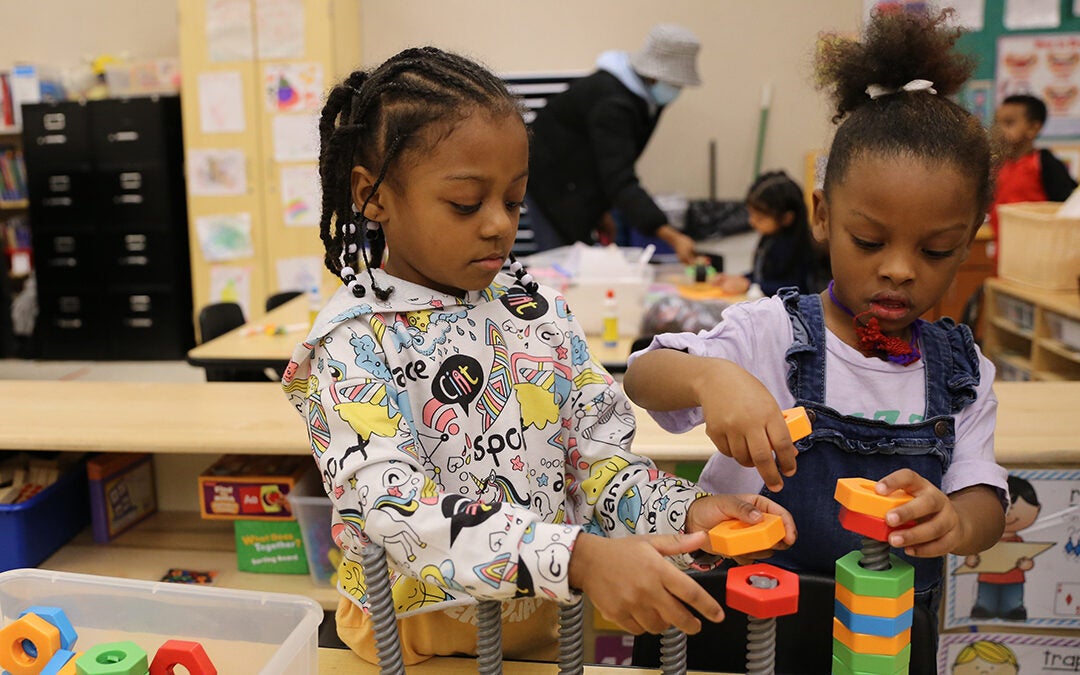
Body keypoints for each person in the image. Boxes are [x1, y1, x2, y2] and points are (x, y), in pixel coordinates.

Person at [280, 46, 795, 666]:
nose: (499, 224)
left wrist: (689, 510)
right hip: (409, 641)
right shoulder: (351, 341)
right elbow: (398, 514)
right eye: (467, 203)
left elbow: (601, 466)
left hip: (544, 626)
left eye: (515, 200)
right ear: (373, 196)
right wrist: (576, 555)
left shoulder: (537, 312)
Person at [624, 9, 1008, 671]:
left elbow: (985, 494)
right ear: (823, 214)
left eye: (937, 249)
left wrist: (956, 518)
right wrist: (713, 378)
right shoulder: (770, 331)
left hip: (881, 642)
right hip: (736, 630)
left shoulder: (963, 371)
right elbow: (643, 376)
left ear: (967, 240)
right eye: (870, 240)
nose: (899, 268)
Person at [525, 23, 704, 264]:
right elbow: (619, 175)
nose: (677, 90)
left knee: (582, 263)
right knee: (563, 267)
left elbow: (604, 159)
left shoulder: (641, 98)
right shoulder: (612, 103)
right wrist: (671, 236)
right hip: (551, 187)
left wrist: (601, 210)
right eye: (675, 82)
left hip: (573, 185)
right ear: (653, 75)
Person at [989, 93, 1078, 256]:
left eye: (1009, 123)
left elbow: (1068, 208)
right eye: (997, 122)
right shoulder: (997, 166)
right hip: (1003, 254)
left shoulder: (1046, 163)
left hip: (1040, 255)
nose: (999, 130)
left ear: (1033, 128)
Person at [711, 170, 822, 296]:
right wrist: (740, 279)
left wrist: (749, 286)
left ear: (787, 218)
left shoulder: (798, 247)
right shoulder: (770, 237)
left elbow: (795, 288)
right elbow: (763, 275)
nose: (751, 222)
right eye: (751, 214)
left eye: (760, 218)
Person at [964, 475, 1041, 621]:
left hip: (1013, 579)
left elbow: (1028, 560)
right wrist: (971, 560)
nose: (1009, 513)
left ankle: (1013, 610)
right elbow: (971, 557)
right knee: (986, 601)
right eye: (1004, 506)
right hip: (987, 578)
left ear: (1037, 509)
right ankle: (984, 608)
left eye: (1013, 507)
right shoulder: (984, 538)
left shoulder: (1018, 541)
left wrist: (1026, 564)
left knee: (1012, 600)